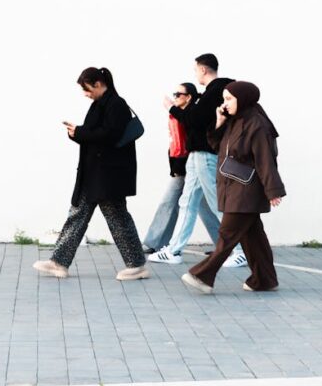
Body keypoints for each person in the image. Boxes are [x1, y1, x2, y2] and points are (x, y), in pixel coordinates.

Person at [32, 67, 149, 281]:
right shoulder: (99, 105)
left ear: (98, 84)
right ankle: (59, 262)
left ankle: (137, 264)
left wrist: (81, 132)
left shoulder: (116, 104)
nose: (85, 94)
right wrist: (76, 133)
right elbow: (94, 134)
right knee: (78, 214)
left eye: (87, 89)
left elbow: (110, 135)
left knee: (117, 217)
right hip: (94, 173)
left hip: (108, 175)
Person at [181, 81, 285, 294]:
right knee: (253, 238)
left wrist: (273, 190)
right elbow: (218, 146)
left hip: (247, 190)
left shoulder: (257, 125)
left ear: (243, 99)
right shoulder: (235, 120)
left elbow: (266, 159)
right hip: (234, 187)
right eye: (224, 99)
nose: (225, 103)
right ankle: (265, 279)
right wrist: (219, 121)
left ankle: (202, 275)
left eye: (229, 99)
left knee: (227, 234)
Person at [148, 54, 247, 267]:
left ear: (203, 69)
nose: (195, 74)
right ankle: (174, 250)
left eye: (195, 70)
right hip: (197, 155)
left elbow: (194, 120)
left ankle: (240, 250)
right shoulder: (211, 93)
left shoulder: (216, 91)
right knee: (188, 203)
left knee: (215, 203)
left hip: (205, 154)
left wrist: (171, 108)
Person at [142, 83, 221, 254]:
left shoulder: (191, 115)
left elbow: (188, 143)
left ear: (189, 97)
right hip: (186, 166)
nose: (175, 97)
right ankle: (224, 245)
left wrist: (171, 108)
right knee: (203, 206)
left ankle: (154, 243)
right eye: (174, 94)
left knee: (171, 202)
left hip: (191, 165)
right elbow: (175, 145)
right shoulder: (182, 115)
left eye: (178, 94)